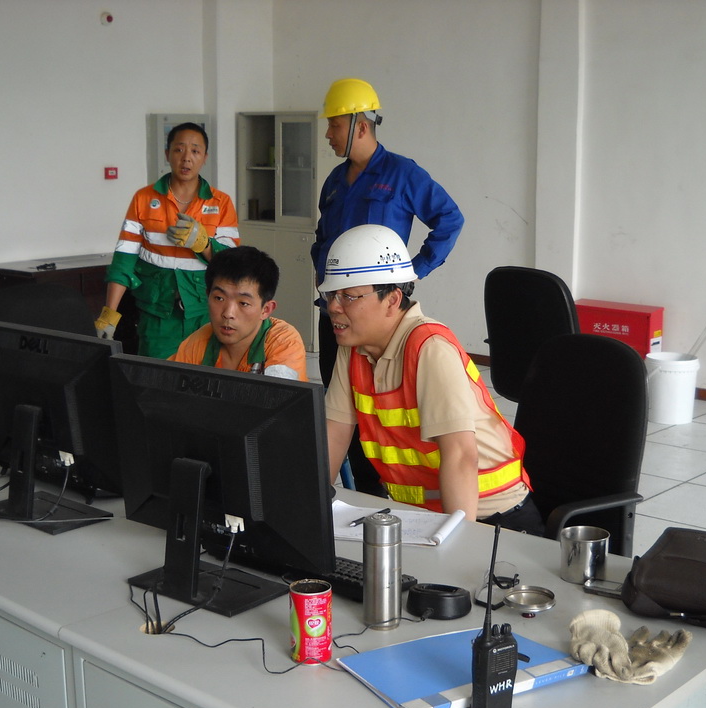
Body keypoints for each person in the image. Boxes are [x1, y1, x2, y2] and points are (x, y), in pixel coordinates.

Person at [321, 225, 542, 534]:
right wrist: (309, 508)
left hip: (491, 520)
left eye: (348, 296)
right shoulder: (354, 348)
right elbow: (333, 436)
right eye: (331, 294)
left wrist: (457, 542)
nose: (333, 307)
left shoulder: (429, 347)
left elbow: (460, 456)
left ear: (392, 299)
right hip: (421, 516)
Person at [312, 78, 465, 495]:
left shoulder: (401, 173)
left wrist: (414, 270)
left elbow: (450, 219)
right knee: (342, 407)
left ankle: (382, 488)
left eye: (335, 125)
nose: (328, 134)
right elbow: (322, 238)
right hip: (336, 311)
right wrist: (323, 282)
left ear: (360, 126)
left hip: (376, 315)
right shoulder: (334, 181)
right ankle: (357, 493)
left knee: (380, 409)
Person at [97, 122, 239, 359]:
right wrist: (109, 313)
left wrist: (204, 245)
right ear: (167, 154)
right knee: (155, 376)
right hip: (157, 313)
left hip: (205, 311)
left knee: (205, 376)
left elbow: (233, 263)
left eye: (195, 151)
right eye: (179, 149)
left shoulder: (220, 202)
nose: (186, 158)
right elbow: (124, 260)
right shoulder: (143, 198)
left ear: (205, 157)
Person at [169, 246, 307, 381]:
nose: (228, 313)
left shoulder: (284, 343)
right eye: (219, 298)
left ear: (266, 310)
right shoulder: (197, 343)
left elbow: (277, 394)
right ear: (208, 296)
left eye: (243, 303)